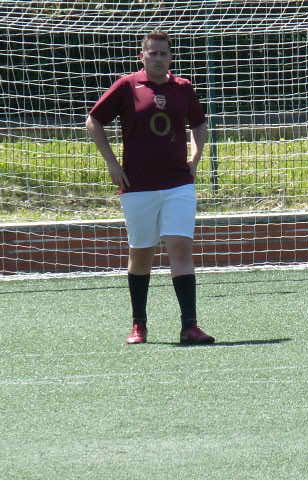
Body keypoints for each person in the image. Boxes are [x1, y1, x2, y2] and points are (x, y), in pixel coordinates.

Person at [86, 30, 214, 344]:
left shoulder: (183, 87)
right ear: (142, 56)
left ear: (171, 58)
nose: (158, 58)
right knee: (141, 253)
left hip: (178, 184)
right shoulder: (127, 86)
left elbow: (199, 124)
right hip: (138, 185)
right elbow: (94, 121)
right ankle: (139, 326)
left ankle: (190, 326)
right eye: (152, 53)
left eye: (163, 53)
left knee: (180, 247)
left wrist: (196, 156)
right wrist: (112, 164)